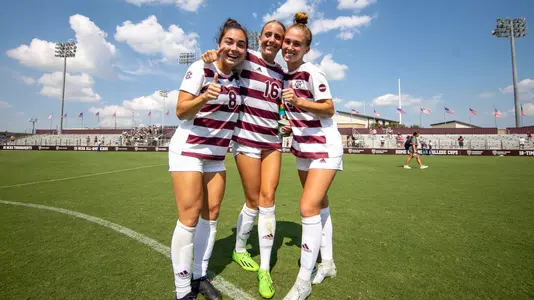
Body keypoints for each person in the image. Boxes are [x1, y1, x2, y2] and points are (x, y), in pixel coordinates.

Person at [201, 19, 287, 299]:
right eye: (269, 35)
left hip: (272, 142)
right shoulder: (246, 58)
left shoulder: (281, 71)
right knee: (253, 201)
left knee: (268, 199)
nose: (273, 40)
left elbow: (278, 107)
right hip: (247, 141)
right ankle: (239, 249)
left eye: (278, 36)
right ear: (260, 37)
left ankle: (264, 268)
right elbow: (224, 59)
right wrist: (211, 55)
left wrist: (283, 122)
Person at [167, 18, 248, 300]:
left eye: (241, 44)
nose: (234, 48)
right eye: (229, 42)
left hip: (216, 156)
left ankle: (199, 276)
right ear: (218, 44)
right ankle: (182, 291)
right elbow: (181, 111)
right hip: (189, 150)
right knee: (189, 218)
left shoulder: (240, 79)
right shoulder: (200, 67)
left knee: (211, 215)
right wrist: (203, 97)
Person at [280, 12, 343, 300]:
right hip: (303, 147)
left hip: (324, 147)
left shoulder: (312, 72)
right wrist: (287, 122)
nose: (290, 47)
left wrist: (299, 101)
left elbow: (328, 107)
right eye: (287, 42)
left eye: (297, 44)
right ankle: (327, 263)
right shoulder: (285, 76)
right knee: (320, 205)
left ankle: (302, 283)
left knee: (307, 207)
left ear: (306, 49)